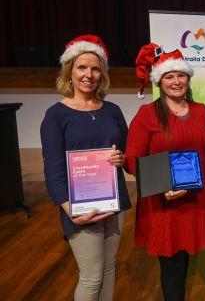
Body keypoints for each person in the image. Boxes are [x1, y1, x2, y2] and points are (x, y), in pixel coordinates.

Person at [40, 35, 131, 301]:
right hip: (79, 208)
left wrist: (122, 159)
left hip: (114, 201)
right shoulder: (56, 115)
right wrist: (71, 211)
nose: (88, 74)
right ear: (69, 71)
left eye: (94, 68)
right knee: (91, 278)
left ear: (102, 73)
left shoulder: (112, 110)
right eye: (82, 67)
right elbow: (53, 171)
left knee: (110, 268)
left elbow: (126, 152)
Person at [124, 44, 205, 301]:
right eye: (169, 76)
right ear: (160, 81)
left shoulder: (201, 111)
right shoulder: (147, 115)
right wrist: (164, 184)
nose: (177, 81)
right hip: (165, 201)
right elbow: (132, 160)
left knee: (184, 256)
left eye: (181, 75)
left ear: (188, 77)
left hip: (194, 198)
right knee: (172, 266)